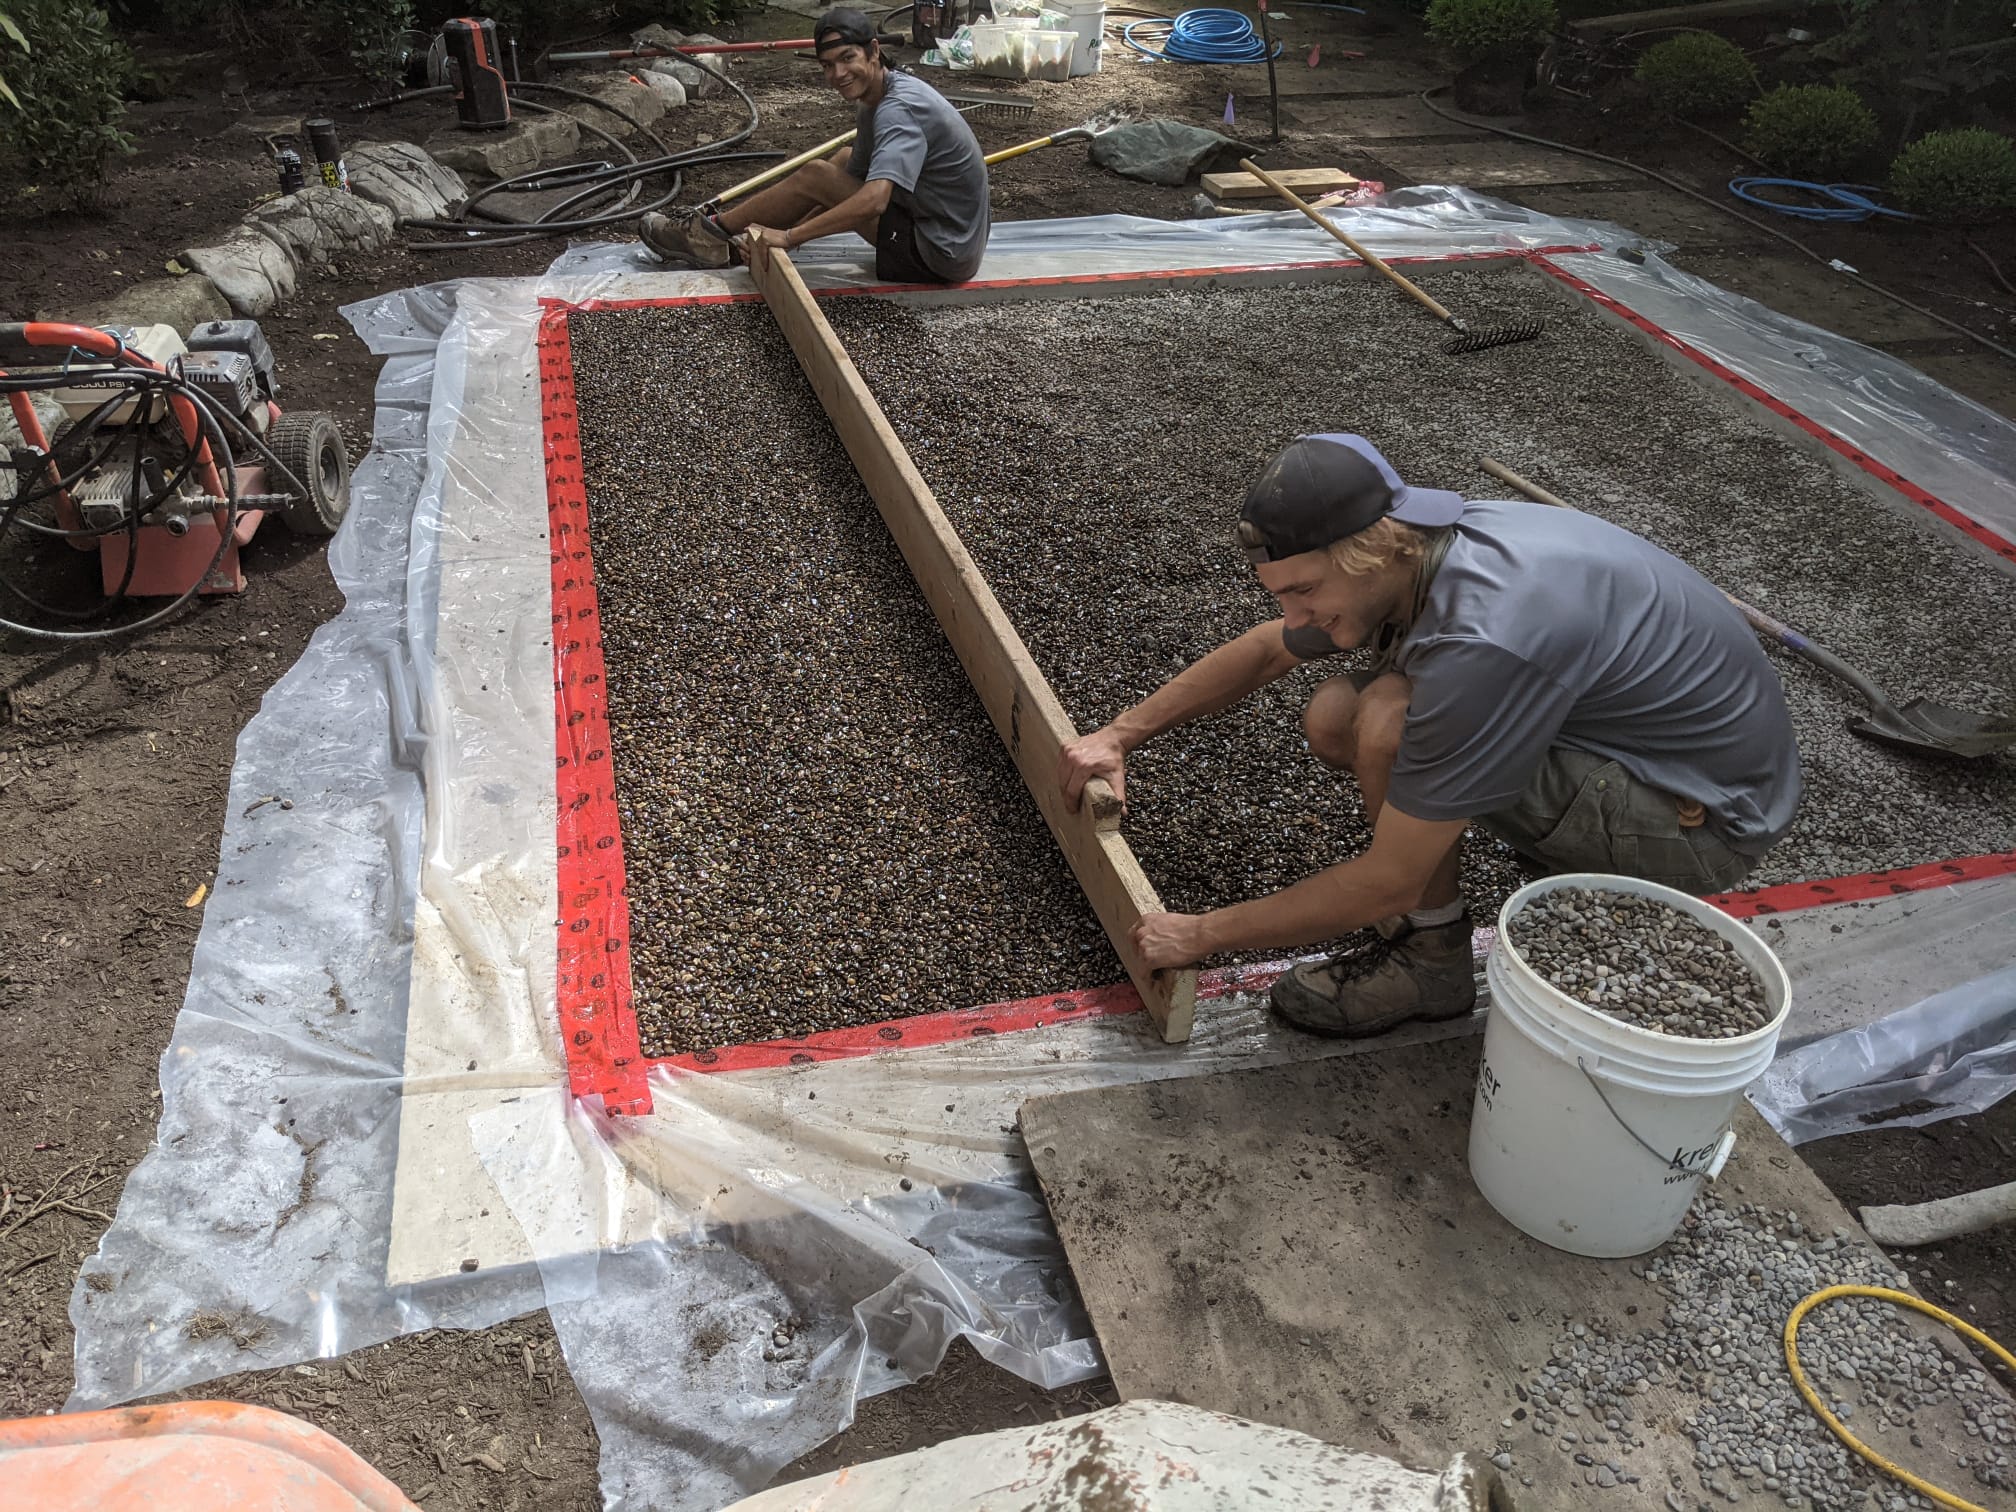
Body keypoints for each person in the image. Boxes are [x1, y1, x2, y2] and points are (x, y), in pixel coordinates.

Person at [1056, 433, 1802, 1039]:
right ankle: (1523, 856)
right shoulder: (1425, 547)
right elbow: (1266, 651)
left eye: (1305, 590)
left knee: (1389, 716)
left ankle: (1432, 959)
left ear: (1375, 549)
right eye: (1281, 593)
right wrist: (1120, 736)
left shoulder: (1484, 639)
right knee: (1338, 714)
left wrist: (1202, 935)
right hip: (1642, 754)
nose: (1294, 614)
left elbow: (1391, 880)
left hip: (1695, 825)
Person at [639, 8, 990, 284]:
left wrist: (790, 237)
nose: (838, 74)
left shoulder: (898, 110)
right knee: (841, 160)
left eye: (847, 58)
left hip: (939, 256)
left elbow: (873, 200)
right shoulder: (877, 96)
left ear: (874, 52)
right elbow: (842, 188)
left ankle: (707, 235)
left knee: (817, 174)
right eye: (827, 65)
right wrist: (781, 239)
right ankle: (730, 240)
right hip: (946, 235)